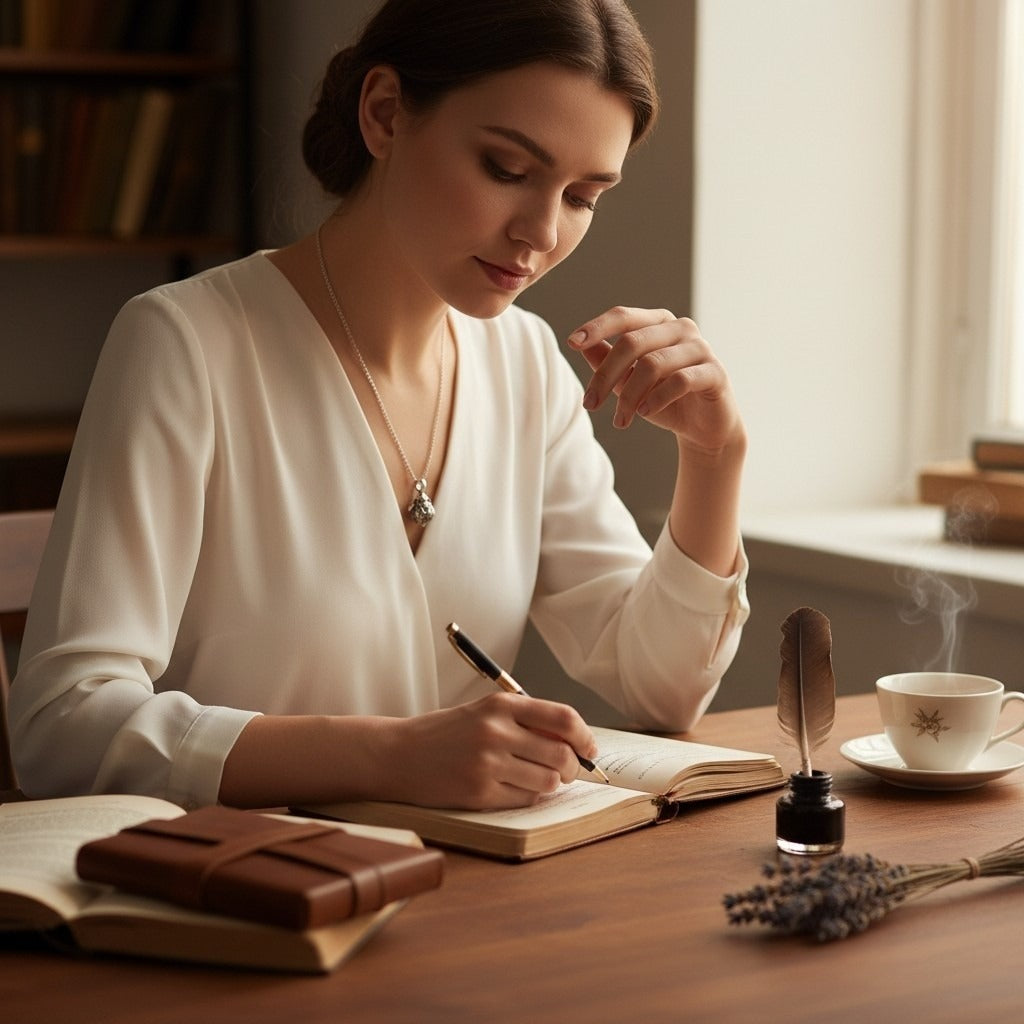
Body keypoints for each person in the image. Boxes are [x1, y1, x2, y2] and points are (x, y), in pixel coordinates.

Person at [10, 0, 749, 812]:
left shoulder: (527, 364)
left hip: (468, 902)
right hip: (252, 904)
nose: (540, 231)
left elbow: (664, 688)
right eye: (507, 169)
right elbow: (61, 727)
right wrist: (389, 756)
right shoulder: (187, 343)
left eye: (582, 196)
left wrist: (715, 458)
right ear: (385, 113)